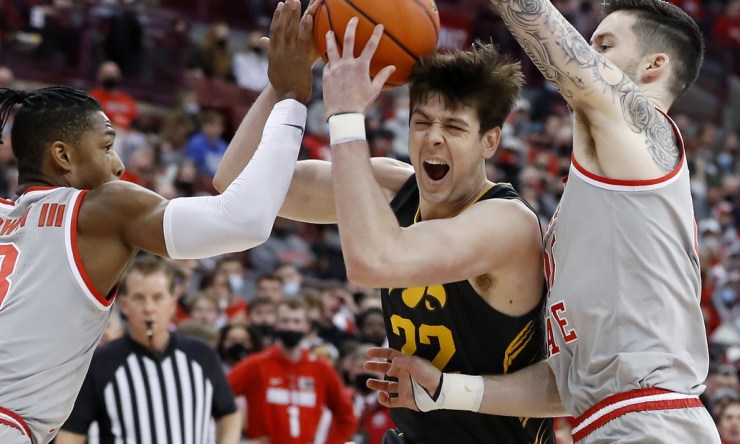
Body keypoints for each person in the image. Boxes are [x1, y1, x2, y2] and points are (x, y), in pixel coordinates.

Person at [366, 1, 721, 443]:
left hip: (651, 423)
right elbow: (566, 385)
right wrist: (443, 389)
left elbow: (565, 59)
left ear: (654, 66)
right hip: (612, 421)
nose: (588, 56)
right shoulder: (603, 202)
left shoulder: (646, 130)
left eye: (603, 46)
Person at [215, 17, 551, 444]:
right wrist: (290, 82)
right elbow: (238, 182)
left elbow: (375, 261)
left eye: (453, 127)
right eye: (422, 122)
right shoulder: (395, 186)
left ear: (490, 141)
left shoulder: (507, 223)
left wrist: (345, 116)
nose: (432, 138)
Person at [0, 1, 312, 442]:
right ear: (63, 156)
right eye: (107, 146)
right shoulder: (99, 209)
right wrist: (293, 99)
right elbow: (245, 221)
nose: (119, 165)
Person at [55, 256, 242, 444]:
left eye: (158, 297)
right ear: (125, 305)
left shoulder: (202, 355)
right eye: (139, 298)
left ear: (173, 304)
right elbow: (71, 434)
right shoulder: (100, 363)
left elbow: (230, 414)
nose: (149, 308)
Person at [226, 297, 358, 444]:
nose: (291, 327)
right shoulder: (255, 364)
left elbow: (346, 415)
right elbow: (218, 399)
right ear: (276, 323)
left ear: (307, 326)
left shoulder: (320, 368)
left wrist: (333, 442)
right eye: (285, 321)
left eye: (297, 322)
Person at [88, 61, 138, 131]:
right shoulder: (93, 97)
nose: (110, 76)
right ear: (99, 76)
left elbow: (135, 122)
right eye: (107, 73)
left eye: (113, 73)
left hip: (127, 134)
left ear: (119, 75)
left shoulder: (127, 99)